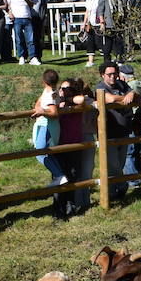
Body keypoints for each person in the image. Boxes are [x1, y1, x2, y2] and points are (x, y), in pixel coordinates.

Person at [96, 62, 136, 198]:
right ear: (103, 75)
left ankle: (116, 191)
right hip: (109, 133)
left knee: (121, 162)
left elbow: (134, 93)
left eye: (115, 74)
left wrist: (131, 94)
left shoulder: (121, 84)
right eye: (109, 74)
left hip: (124, 131)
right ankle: (116, 189)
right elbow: (110, 99)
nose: (113, 77)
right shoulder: (101, 87)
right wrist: (126, 97)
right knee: (113, 165)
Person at [55, 76, 94, 215]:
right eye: (62, 88)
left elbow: (82, 99)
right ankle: (59, 208)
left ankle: (71, 206)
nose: (63, 91)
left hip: (74, 144)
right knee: (59, 177)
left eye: (67, 89)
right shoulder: (57, 102)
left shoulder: (77, 102)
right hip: (58, 144)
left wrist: (68, 98)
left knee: (72, 176)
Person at [32, 68, 65, 214]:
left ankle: (59, 176)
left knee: (41, 153)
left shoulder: (50, 95)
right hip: (49, 127)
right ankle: (59, 175)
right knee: (48, 153)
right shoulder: (51, 92)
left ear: (43, 80)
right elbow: (39, 102)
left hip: (47, 127)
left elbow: (53, 112)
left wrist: (42, 111)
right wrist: (39, 107)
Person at [7, 0, 39, 65]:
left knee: (30, 39)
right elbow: (8, 6)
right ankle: (21, 56)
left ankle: (32, 57)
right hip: (17, 18)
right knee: (19, 39)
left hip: (27, 17)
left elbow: (32, 4)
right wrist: (10, 13)